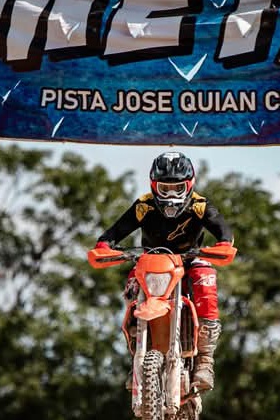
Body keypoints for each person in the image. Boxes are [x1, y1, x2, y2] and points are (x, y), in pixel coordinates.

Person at [92, 151, 234, 391]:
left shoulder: (199, 206)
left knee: (205, 278)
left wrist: (223, 244)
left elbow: (224, 231)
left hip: (189, 261)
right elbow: (113, 233)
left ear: (189, 184)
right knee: (131, 287)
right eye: (164, 188)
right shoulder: (144, 206)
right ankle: (137, 357)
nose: (170, 195)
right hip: (151, 262)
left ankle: (205, 361)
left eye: (177, 188)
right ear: (153, 185)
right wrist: (104, 246)